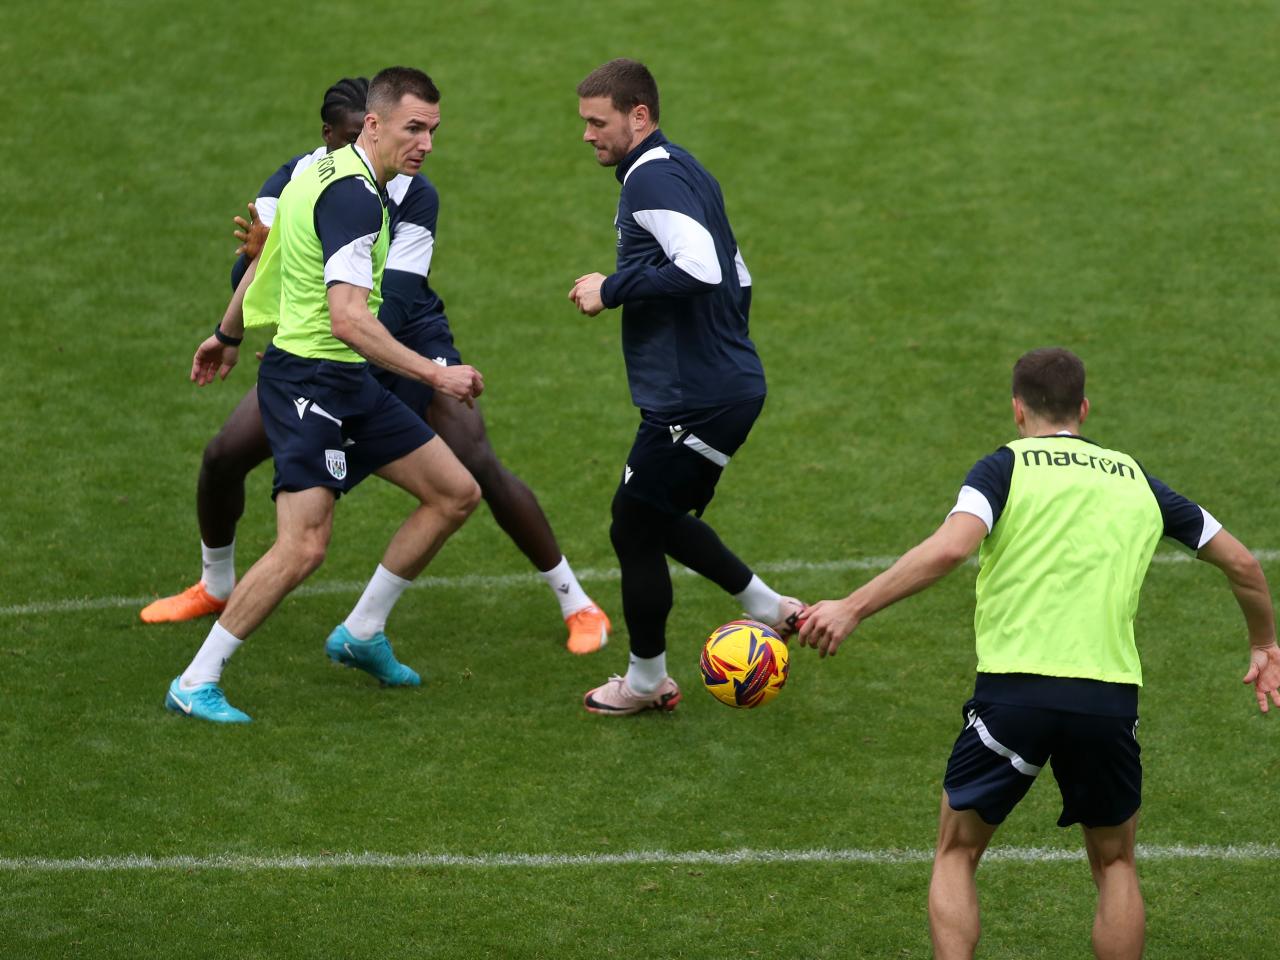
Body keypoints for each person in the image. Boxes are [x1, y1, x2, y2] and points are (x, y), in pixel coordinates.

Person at [797, 347, 1280, 960]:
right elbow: (1240, 562)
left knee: (957, 852)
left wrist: (852, 607)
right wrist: (1264, 643)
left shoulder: (1001, 468)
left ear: (1017, 409)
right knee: (1115, 864)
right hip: (1106, 700)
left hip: (1014, 696)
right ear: (1083, 407)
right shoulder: (1138, 481)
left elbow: (950, 549)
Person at [142, 78, 611, 656]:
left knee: (473, 462)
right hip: (332, 348)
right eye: (346, 139)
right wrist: (259, 301)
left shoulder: (414, 193)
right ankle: (217, 586)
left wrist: (312, 311)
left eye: (425, 132)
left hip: (401, 340)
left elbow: (401, 296)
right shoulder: (305, 177)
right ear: (342, 134)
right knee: (223, 455)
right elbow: (249, 276)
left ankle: (576, 601)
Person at [165, 66, 486, 724]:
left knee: (455, 493)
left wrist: (226, 332)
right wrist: (435, 374)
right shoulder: (355, 199)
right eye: (413, 129)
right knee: (304, 546)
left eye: (433, 130)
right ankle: (197, 679)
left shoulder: (317, 169)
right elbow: (348, 318)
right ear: (373, 124)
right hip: (311, 380)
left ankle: (362, 632)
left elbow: (269, 257)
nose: (426, 144)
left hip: (345, 380)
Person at [568, 59, 802, 716]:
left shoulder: (652, 181)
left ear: (638, 115)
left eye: (598, 121)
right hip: (715, 387)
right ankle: (770, 607)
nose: (587, 134)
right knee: (653, 513)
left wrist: (610, 289)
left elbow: (701, 267)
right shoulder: (683, 167)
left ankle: (646, 681)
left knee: (633, 524)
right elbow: (738, 271)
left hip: (695, 399)